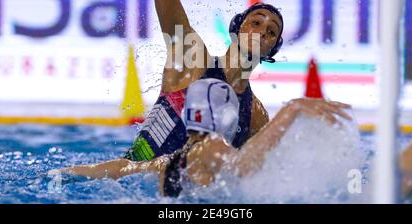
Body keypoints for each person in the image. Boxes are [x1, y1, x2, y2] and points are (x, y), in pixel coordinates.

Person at [124, 0, 352, 162]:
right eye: (255, 22)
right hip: (130, 179)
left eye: (271, 32)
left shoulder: (255, 115)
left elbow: (247, 174)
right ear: (236, 29)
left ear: (272, 51)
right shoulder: (192, 58)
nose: (262, 32)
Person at [56, 78, 351, 197]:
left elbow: (115, 169)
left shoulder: (166, 162)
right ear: (230, 120)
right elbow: (243, 169)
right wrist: (291, 110)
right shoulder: (213, 148)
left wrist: (59, 174)